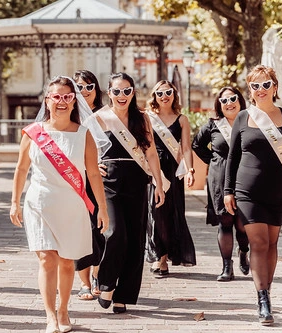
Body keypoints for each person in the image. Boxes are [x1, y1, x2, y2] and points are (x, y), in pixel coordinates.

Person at [10, 75, 109, 333]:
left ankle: (64, 309)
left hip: (72, 205)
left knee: (67, 261)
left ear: (74, 101)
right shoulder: (33, 134)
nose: (62, 101)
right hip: (40, 202)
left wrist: (102, 208)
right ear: (48, 100)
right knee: (46, 259)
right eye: (57, 96)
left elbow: (94, 174)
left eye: (67, 96)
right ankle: (50, 315)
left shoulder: (84, 135)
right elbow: (21, 170)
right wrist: (14, 202)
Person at [224, 65, 282, 325]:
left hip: (278, 191)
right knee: (259, 243)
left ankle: (268, 289)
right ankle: (263, 299)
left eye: (266, 84)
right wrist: (227, 191)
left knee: (273, 244)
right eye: (256, 85)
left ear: (275, 87)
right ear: (250, 90)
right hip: (247, 191)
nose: (261, 90)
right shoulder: (243, 117)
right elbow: (233, 157)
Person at [93, 72, 165, 314]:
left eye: (126, 91)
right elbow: (82, 147)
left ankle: (123, 295)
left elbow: (152, 152)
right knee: (115, 234)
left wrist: (159, 183)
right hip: (109, 181)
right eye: (116, 91)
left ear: (133, 92)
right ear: (109, 93)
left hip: (137, 179)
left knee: (135, 239)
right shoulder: (99, 118)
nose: (121, 95)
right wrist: (91, 164)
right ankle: (105, 283)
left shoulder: (142, 118)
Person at [192, 87, 250, 281]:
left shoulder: (251, 122)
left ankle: (243, 251)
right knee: (225, 222)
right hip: (220, 178)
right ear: (219, 104)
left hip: (244, 176)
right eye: (224, 100)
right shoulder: (213, 125)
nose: (229, 103)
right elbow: (197, 145)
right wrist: (215, 160)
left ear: (240, 100)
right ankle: (227, 266)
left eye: (233, 98)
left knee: (242, 224)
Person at [145, 80, 196, 275]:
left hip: (173, 171)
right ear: (155, 96)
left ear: (174, 95)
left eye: (168, 92)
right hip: (154, 169)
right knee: (156, 212)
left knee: (171, 212)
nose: (164, 96)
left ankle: (165, 257)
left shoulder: (182, 119)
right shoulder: (148, 118)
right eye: (160, 93)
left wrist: (190, 170)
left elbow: (186, 148)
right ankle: (159, 254)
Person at [72, 69, 105, 300]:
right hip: (75, 182)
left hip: (102, 182)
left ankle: (98, 275)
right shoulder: (68, 117)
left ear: (97, 90)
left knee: (103, 231)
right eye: (79, 87)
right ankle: (84, 282)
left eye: (89, 86)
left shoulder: (106, 115)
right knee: (80, 232)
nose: (84, 91)